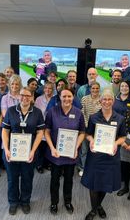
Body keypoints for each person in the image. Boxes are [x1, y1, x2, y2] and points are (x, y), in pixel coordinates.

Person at [81, 89, 126, 220]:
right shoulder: (94, 117)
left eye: (109, 99)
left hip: (111, 156)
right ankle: (94, 210)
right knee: (94, 184)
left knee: (106, 183)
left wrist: (116, 143)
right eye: (104, 99)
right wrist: (91, 140)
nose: (107, 102)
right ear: (100, 101)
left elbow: (123, 137)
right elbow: (88, 134)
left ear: (113, 101)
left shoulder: (120, 118)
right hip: (96, 156)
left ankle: (98, 206)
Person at [2, 87, 45, 215]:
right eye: (22, 95)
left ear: (32, 97)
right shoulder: (11, 111)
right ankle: (13, 202)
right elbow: (5, 131)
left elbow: (40, 132)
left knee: (27, 178)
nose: (24, 98)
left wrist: (33, 151)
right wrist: (6, 149)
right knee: (12, 178)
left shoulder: (37, 112)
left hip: (29, 152)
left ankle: (25, 201)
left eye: (27, 95)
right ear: (18, 96)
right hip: (13, 151)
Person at [45, 87, 85, 215]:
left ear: (73, 97)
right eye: (64, 96)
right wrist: (52, 148)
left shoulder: (78, 113)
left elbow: (82, 132)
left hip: (71, 154)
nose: (67, 99)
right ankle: (54, 202)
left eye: (69, 96)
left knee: (69, 179)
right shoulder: (52, 111)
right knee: (54, 180)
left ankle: (68, 201)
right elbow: (46, 131)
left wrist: (75, 148)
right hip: (56, 153)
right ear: (60, 97)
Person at [78, 82, 102, 177]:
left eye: (97, 88)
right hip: (86, 128)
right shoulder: (84, 99)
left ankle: (94, 168)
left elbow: (102, 115)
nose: (95, 90)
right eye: (93, 88)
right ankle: (83, 168)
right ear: (90, 89)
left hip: (98, 130)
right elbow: (82, 113)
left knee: (96, 150)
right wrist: (87, 125)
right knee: (84, 150)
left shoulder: (102, 100)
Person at [34, 81, 55, 173]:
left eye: (50, 88)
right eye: (46, 88)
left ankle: (47, 164)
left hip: (52, 127)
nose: (48, 90)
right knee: (40, 147)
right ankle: (39, 165)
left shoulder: (55, 99)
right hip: (41, 126)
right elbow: (35, 113)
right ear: (43, 89)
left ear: (53, 89)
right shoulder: (38, 99)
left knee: (49, 146)